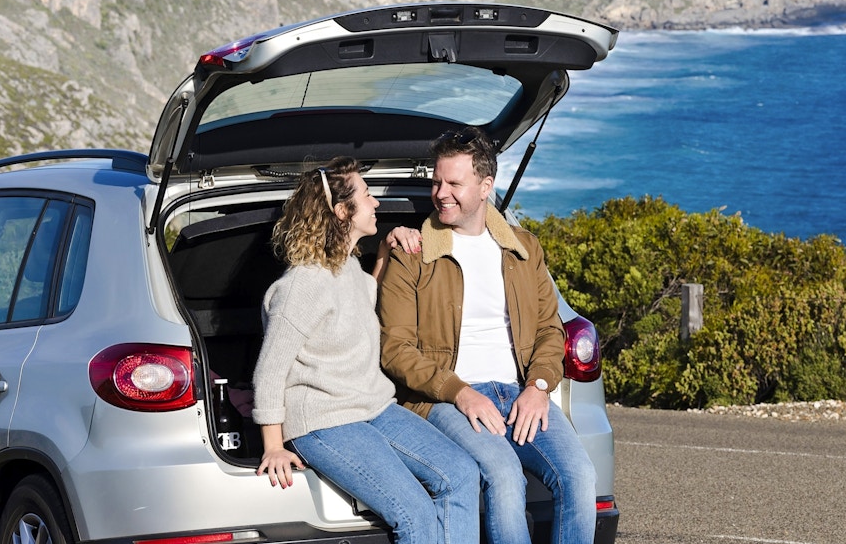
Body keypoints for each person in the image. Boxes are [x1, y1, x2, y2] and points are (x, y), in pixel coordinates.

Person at [378, 128, 597, 544]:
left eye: (454, 183)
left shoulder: (524, 248)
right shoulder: (414, 254)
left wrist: (539, 385)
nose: (441, 193)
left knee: (580, 476)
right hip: (444, 398)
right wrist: (460, 392)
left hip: (520, 392)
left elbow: (551, 329)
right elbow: (395, 350)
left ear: (485, 187)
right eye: (437, 181)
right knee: (504, 475)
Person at [252, 156, 479, 544]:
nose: (376, 204)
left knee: (461, 475)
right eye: (368, 195)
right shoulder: (301, 286)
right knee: (416, 514)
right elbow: (270, 372)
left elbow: (362, 299)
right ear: (342, 211)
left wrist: (388, 253)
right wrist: (273, 447)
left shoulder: (347, 269)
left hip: (372, 407)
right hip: (325, 421)